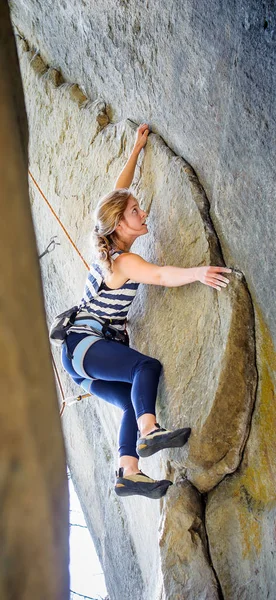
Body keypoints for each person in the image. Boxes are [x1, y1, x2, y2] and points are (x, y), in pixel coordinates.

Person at [61, 123, 231, 499]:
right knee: (145, 368)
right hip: (86, 344)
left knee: (130, 402)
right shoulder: (123, 261)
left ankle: (128, 473)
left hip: (78, 359)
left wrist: (136, 151)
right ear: (121, 224)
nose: (144, 212)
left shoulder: (106, 246)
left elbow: (118, 194)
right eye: (136, 211)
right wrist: (199, 273)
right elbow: (159, 275)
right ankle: (150, 432)